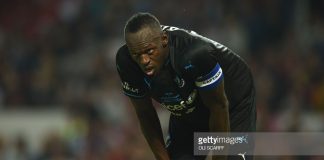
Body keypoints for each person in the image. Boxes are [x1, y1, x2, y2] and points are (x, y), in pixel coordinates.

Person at [115, 12, 256, 160]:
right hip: (188, 110)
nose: (144, 60)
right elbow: (145, 114)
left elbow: (218, 107)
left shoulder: (194, 54)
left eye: (149, 51)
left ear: (164, 40)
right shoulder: (126, 62)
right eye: (136, 55)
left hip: (231, 104)